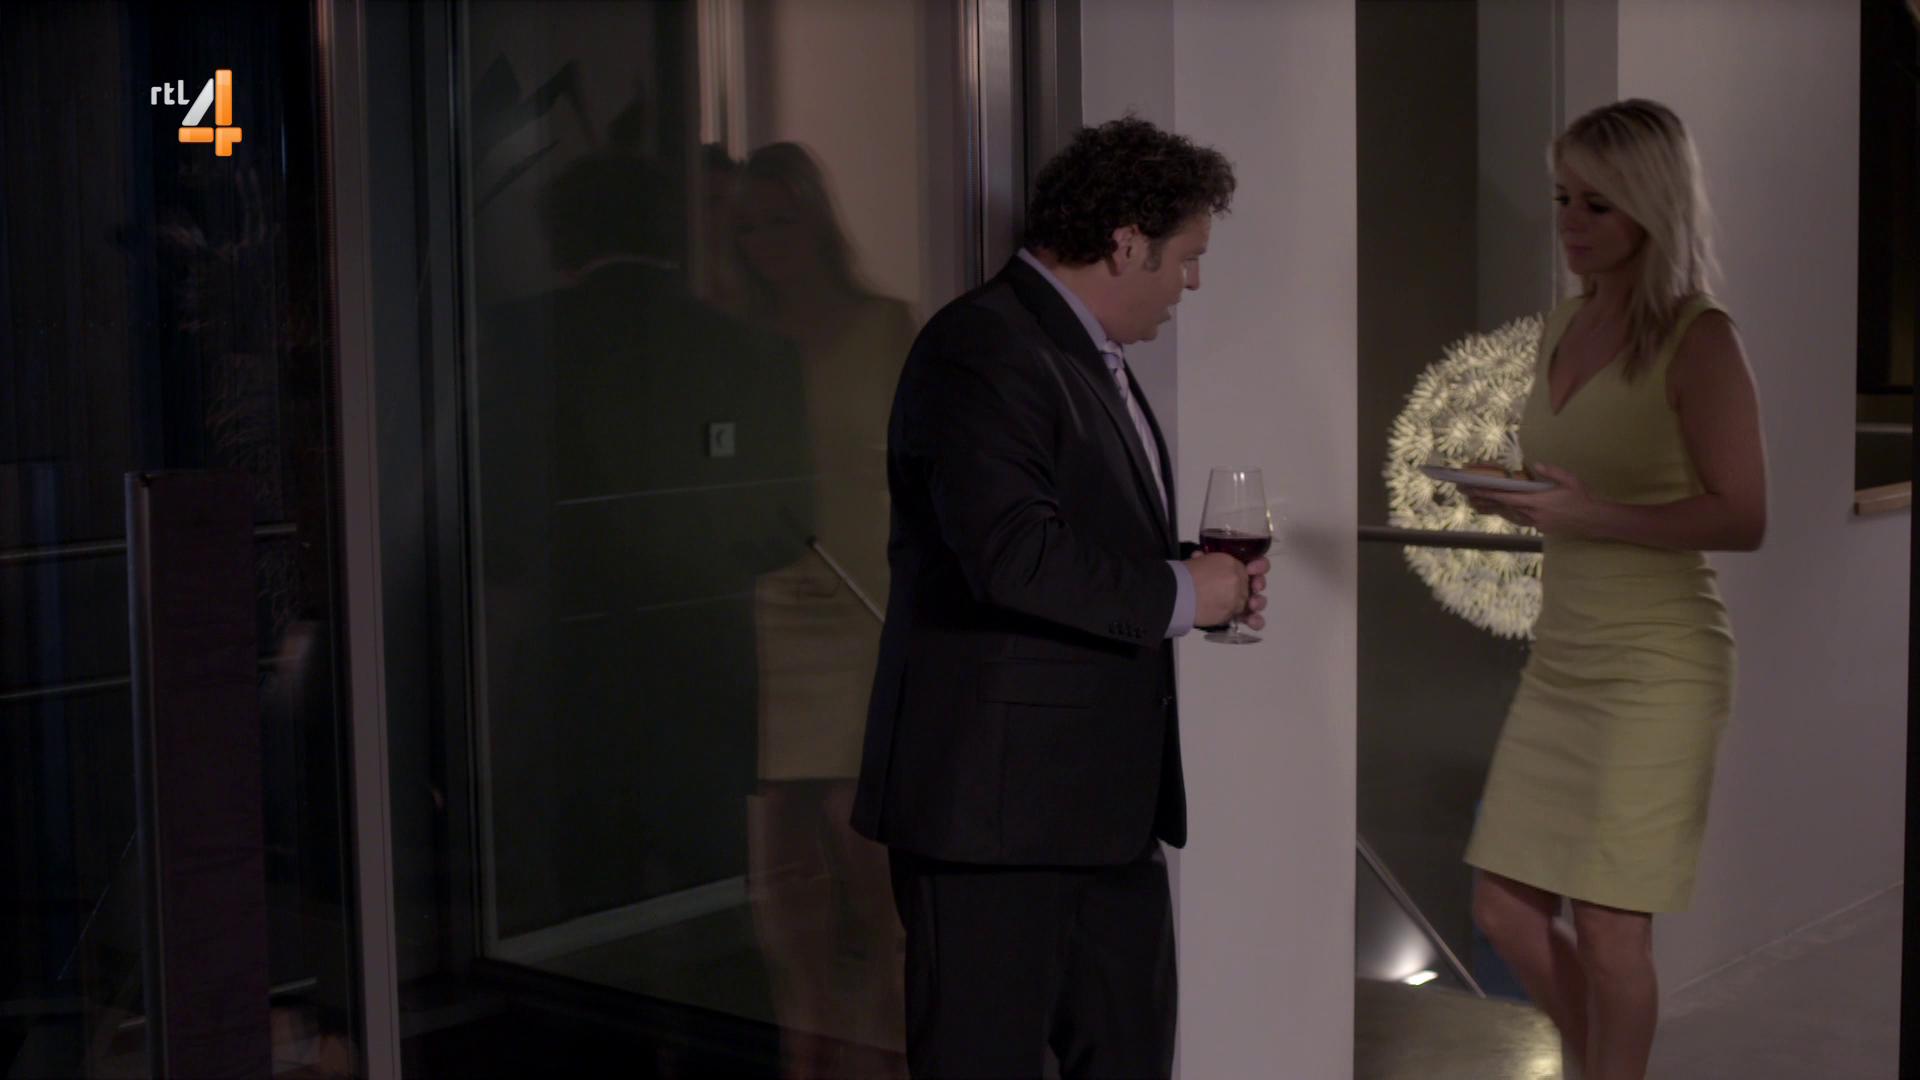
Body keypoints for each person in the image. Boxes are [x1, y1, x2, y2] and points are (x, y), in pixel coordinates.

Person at [851, 116, 1266, 1078]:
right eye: (1187, 259)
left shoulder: (1072, 351)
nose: (1191, 285)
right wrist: (1182, 590)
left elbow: (1068, 536)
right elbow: (1012, 556)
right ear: (1126, 242)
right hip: (994, 822)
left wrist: (1194, 578)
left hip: (1100, 817)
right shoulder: (979, 345)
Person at [1463, 99, 1768, 1080]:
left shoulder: (1699, 338)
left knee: (1610, 932)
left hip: (1659, 668)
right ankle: (1595, 1061)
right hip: (1563, 661)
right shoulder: (1563, 323)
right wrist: (1522, 497)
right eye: (1563, 198)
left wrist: (1595, 515)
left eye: (1598, 204)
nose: (1571, 222)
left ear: (1652, 207)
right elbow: (1578, 484)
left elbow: (1743, 516)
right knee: (1503, 909)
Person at [730, 141, 916, 1079]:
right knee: (778, 863)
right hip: (765, 609)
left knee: (868, 854)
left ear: (817, 221)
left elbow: (924, 474)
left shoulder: (887, 327)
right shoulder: (733, 336)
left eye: (781, 219)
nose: (767, 242)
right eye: (748, 227)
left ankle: (891, 1044)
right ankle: (804, 1046)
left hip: (861, 608)